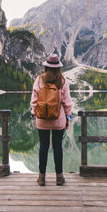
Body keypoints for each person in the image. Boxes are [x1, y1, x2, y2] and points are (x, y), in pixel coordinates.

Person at [30, 53, 73, 186]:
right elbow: (67, 102)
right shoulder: (62, 81)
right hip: (58, 119)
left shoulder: (39, 79)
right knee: (57, 147)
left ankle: (41, 178)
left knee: (43, 146)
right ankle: (59, 177)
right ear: (58, 67)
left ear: (46, 67)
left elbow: (34, 101)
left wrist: (34, 113)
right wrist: (67, 116)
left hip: (42, 120)